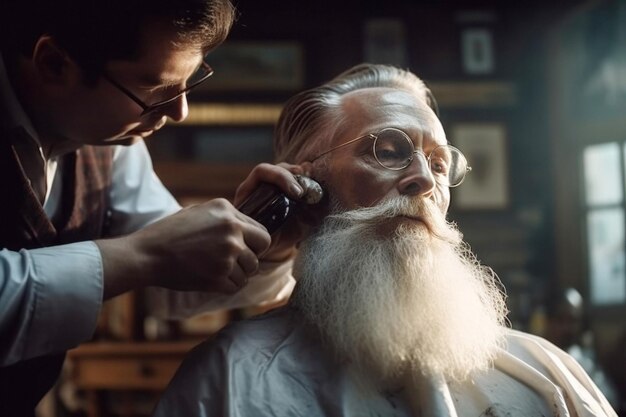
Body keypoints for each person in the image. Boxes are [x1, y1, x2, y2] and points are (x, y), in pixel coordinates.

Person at [153, 64, 618, 417]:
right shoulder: (230, 378)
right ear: (303, 186)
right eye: (389, 151)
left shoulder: (543, 371)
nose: (423, 180)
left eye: (439, 163)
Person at [0, 0, 312, 415]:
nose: (179, 112)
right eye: (154, 90)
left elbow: (169, 283)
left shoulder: (114, 141)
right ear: (55, 64)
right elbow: (149, 256)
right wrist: (140, 254)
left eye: (190, 81)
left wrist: (265, 243)